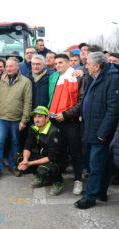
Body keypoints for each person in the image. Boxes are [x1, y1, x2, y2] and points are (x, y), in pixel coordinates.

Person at [75, 52, 119, 209]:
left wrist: (103, 133)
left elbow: (113, 109)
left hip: (100, 130)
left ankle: (90, 197)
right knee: (102, 163)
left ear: (97, 66)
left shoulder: (112, 78)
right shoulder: (97, 76)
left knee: (95, 164)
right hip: (91, 127)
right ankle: (101, 191)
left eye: (88, 64)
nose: (86, 66)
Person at [49, 54, 87, 195]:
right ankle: (57, 180)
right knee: (58, 152)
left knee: (75, 153)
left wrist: (65, 115)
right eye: (56, 63)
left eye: (60, 62)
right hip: (56, 121)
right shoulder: (58, 78)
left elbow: (81, 102)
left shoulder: (77, 76)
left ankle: (78, 180)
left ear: (68, 63)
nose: (57, 65)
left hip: (70, 122)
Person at [0, 57, 32, 181]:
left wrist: (24, 120)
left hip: (16, 120)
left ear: (17, 67)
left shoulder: (26, 82)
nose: (8, 69)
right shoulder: (2, 80)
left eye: (11, 66)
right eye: (7, 66)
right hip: (2, 118)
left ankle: (14, 166)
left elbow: (27, 103)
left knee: (15, 144)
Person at [16, 106, 68, 195]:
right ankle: (42, 178)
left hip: (57, 160)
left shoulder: (54, 132)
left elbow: (51, 157)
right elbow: (27, 147)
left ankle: (58, 181)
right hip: (43, 155)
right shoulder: (34, 128)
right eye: (35, 116)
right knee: (18, 158)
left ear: (47, 118)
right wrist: (25, 160)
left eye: (40, 116)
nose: (36, 119)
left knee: (42, 169)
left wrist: (29, 163)